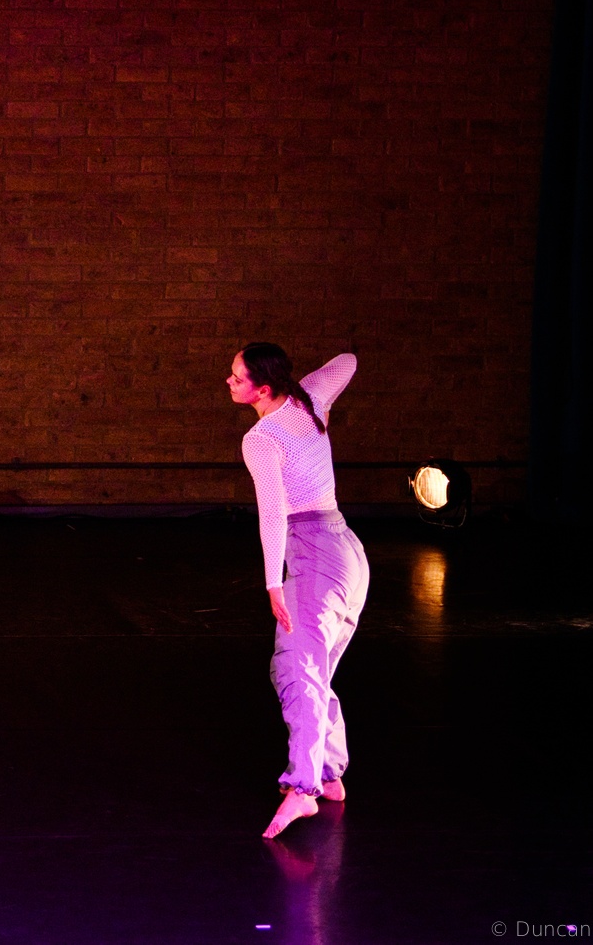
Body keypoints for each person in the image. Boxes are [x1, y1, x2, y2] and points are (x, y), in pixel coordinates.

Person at [227, 342, 369, 839]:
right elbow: (348, 361)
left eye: (238, 377)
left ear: (262, 389)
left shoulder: (262, 438)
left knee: (297, 668)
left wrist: (273, 583)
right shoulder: (308, 401)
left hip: (314, 557)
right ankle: (328, 774)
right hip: (348, 553)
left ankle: (303, 788)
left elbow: (272, 515)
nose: (229, 382)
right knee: (314, 668)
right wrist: (304, 392)